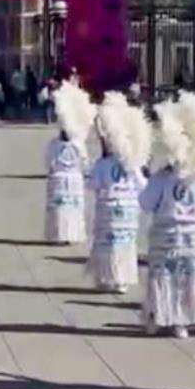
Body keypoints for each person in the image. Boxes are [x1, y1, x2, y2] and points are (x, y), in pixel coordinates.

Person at [139, 93, 195, 338]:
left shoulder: (163, 177)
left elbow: (145, 202)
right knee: (189, 280)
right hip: (194, 236)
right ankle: (184, 319)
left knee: (165, 280)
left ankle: (163, 316)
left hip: (167, 234)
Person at [86, 92, 151, 294]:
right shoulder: (132, 163)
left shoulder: (103, 163)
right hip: (128, 211)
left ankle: (108, 277)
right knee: (125, 245)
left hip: (108, 209)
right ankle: (122, 280)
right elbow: (142, 185)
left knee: (107, 245)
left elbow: (93, 184)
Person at [45, 83, 95, 245]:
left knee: (61, 209)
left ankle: (59, 234)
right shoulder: (78, 144)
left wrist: (53, 171)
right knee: (73, 209)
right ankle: (72, 235)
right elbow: (85, 161)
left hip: (60, 178)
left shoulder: (54, 144)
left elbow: (49, 161)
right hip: (74, 178)